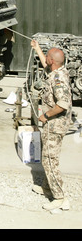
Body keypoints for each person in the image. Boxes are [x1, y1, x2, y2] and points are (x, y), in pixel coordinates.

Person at [30, 39, 72, 212]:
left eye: (47, 56)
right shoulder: (57, 70)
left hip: (55, 125)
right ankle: (47, 187)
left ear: (52, 61)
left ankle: (60, 197)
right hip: (53, 125)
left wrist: (45, 115)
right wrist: (38, 48)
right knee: (49, 157)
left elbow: (63, 104)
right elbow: (45, 63)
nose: (45, 58)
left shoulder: (58, 79)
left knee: (49, 160)